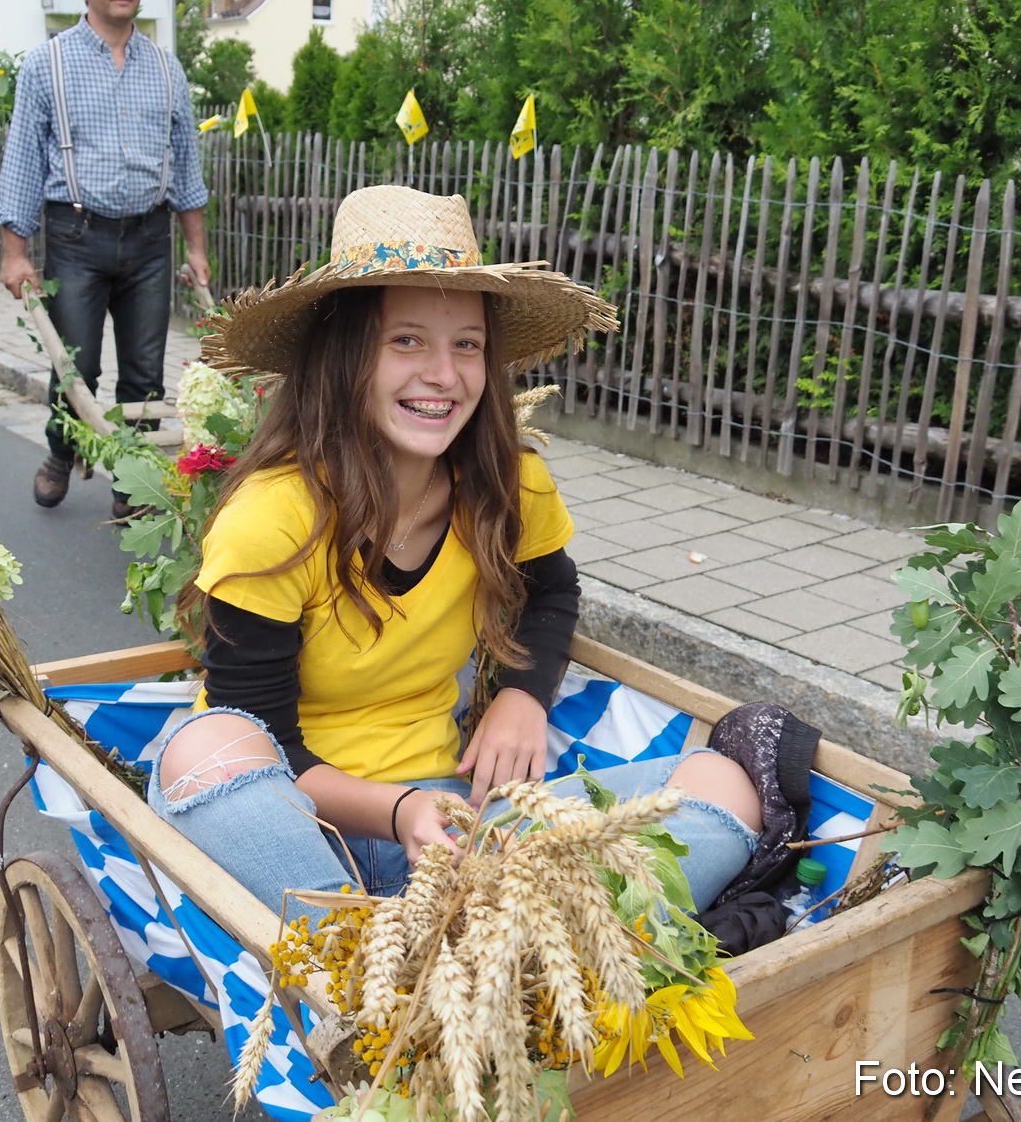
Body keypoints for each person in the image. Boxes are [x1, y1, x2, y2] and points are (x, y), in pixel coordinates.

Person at [148, 186, 802, 924]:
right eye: (407, 341)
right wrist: (396, 811)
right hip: (286, 828)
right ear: (343, 357)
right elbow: (260, 732)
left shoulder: (505, 486)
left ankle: (479, 951)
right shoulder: (274, 518)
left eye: (467, 343)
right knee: (209, 742)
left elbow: (551, 591)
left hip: (455, 822)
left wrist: (524, 693)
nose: (444, 373)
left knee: (725, 784)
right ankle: (366, 964)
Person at [0, 0, 210, 521]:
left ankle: (132, 478)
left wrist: (196, 249)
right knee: (75, 367)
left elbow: (187, 167)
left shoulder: (166, 68)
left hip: (149, 240)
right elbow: (22, 159)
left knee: (144, 373)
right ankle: (62, 452)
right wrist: (14, 253)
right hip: (76, 236)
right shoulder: (49, 63)